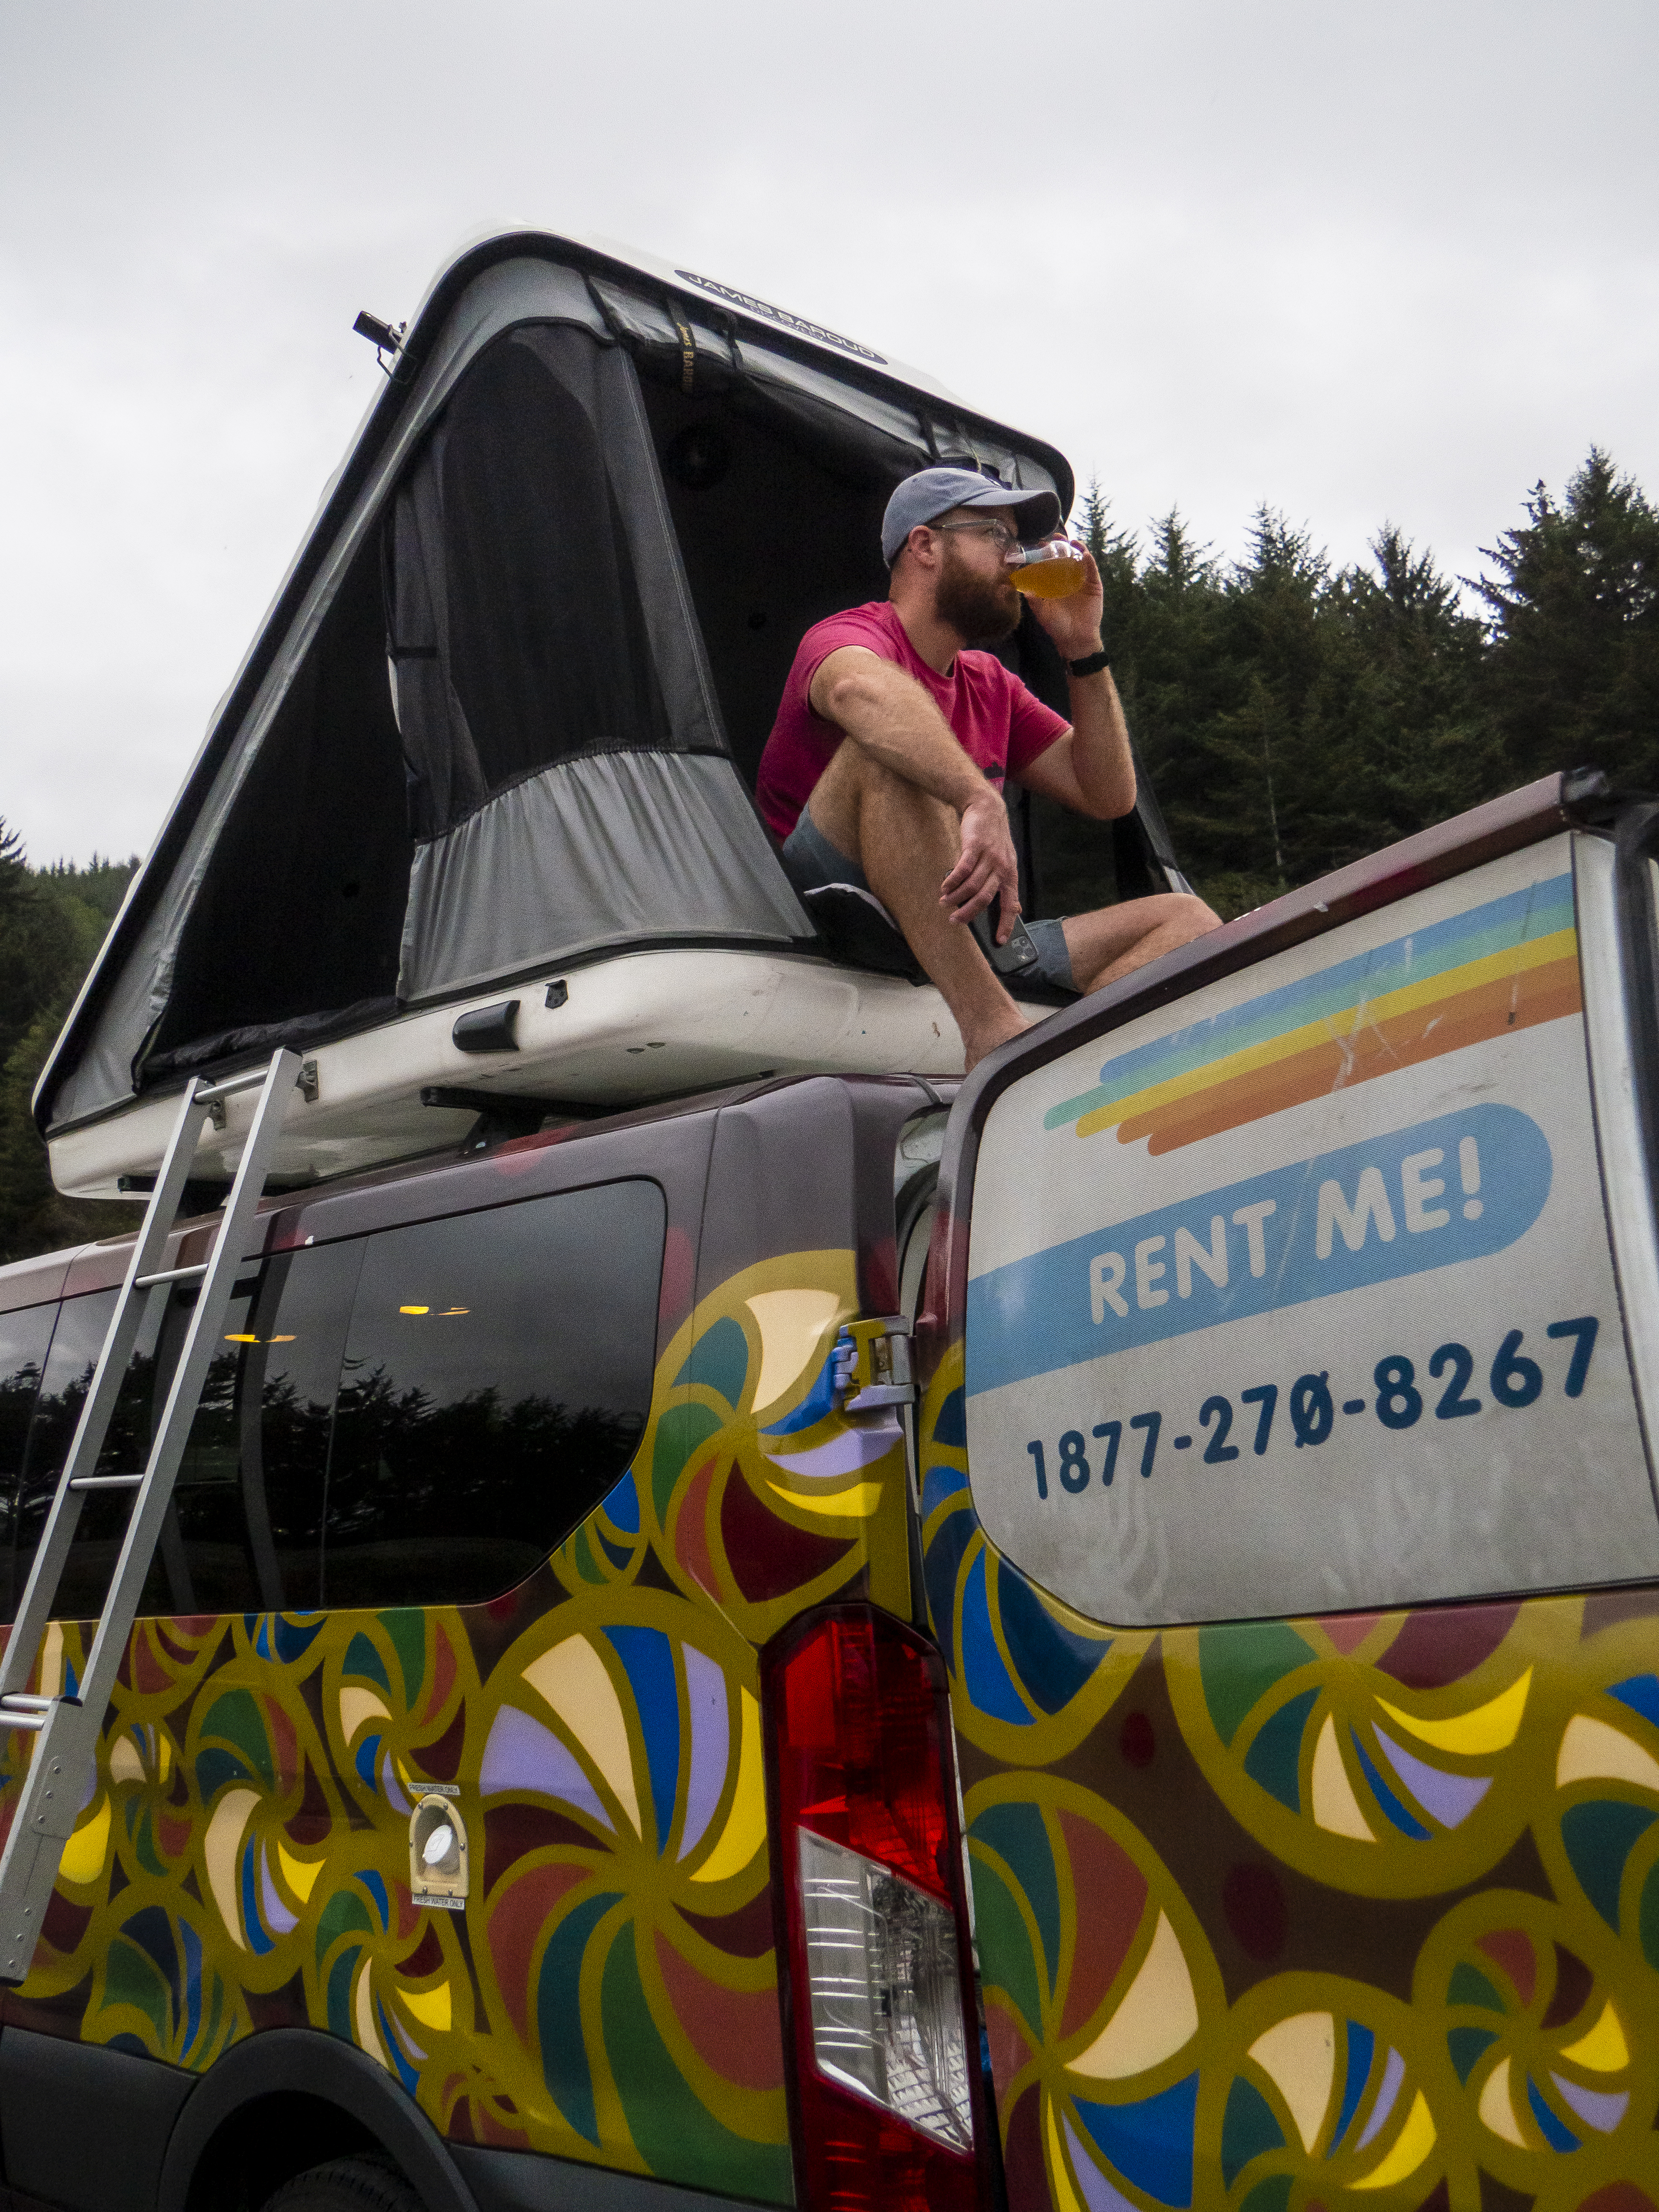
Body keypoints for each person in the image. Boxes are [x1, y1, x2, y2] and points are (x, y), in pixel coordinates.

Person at [756, 467, 1220, 1070]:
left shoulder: (990, 683)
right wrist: (978, 798)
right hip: (837, 906)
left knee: (1189, 923)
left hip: (974, 926)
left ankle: (1063, 1066)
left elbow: (1107, 795)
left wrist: (1083, 646)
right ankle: (995, 1034)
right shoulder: (851, 635)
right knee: (890, 758)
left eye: (1019, 542)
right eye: (996, 536)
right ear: (924, 546)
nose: (1016, 559)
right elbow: (856, 693)